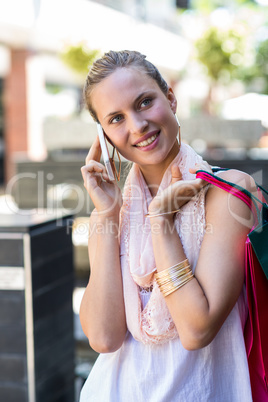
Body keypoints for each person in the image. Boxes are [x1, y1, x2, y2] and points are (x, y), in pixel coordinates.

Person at [79, 50, 255, 401]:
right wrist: (109, 216)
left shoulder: (229, 193)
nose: (137, 125)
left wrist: (161, 222)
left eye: (144, 102)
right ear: (103, 137)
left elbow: (195, 328)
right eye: (115, 119)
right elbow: (103, 337)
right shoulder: (110, 212)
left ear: (171, 98)